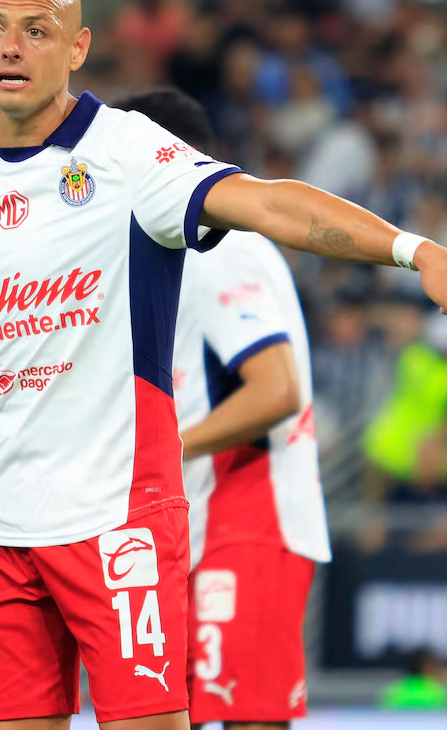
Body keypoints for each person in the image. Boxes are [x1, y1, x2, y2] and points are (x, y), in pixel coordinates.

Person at [0, 0, 447, 730]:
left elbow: (266, 204)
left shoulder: (127, 154)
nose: (11, 48)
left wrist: (412, 250)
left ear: (78, 46)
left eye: (36, 30)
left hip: (115, 516)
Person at [116, 88, 328, 728]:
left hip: (253, 508)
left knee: (247, 718)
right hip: (200, 518)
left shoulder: (223, 247)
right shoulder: (170, 259)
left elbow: (275, 389)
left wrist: (162, 450)